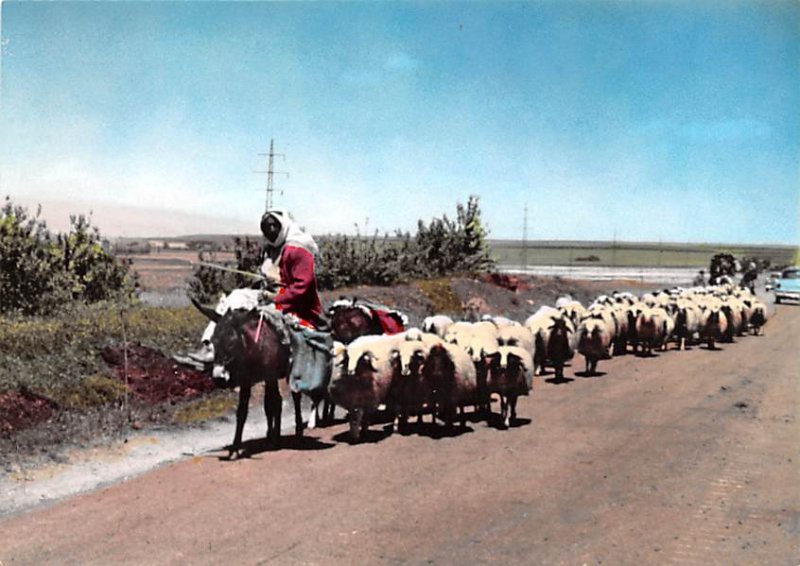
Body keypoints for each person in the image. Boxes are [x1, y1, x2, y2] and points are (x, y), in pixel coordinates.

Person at [188, 209, 324, 363]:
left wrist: (273, 294)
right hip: (266, 293)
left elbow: (301, 288)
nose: (271, 230)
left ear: (283, 225)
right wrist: (263, 282)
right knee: (233, 298)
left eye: (274, 226)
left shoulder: (299, 247)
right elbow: (267, 274)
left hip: (291, 301)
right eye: (266, 227)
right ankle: (209, 347)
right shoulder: (272, 248)